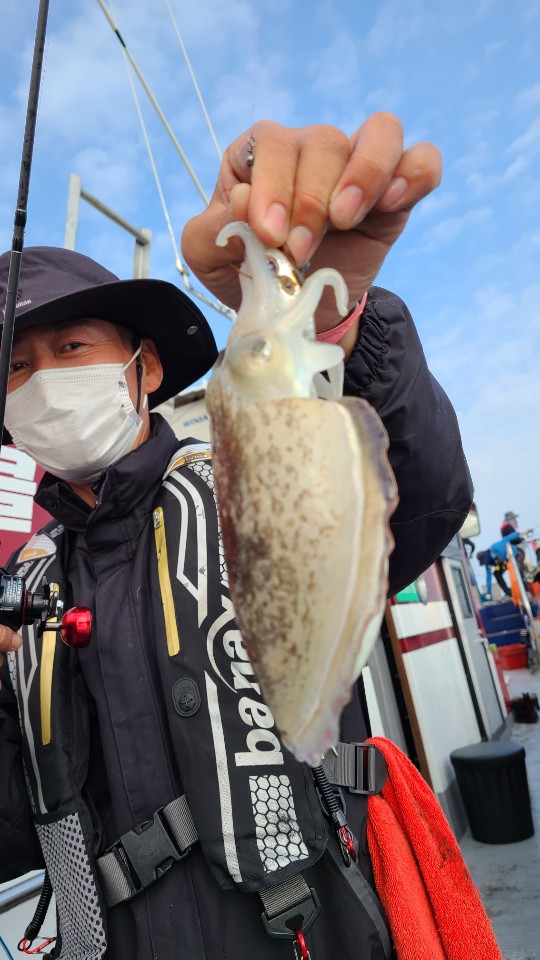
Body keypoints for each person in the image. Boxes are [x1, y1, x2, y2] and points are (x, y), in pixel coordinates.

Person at [0, 114, 473, 960]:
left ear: (144, 368)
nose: (45, 382)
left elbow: (421, 501)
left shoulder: (239, 488)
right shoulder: (30, 593)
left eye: (71, 346)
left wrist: (332, 325)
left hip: (309, 932)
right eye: (17, 368)